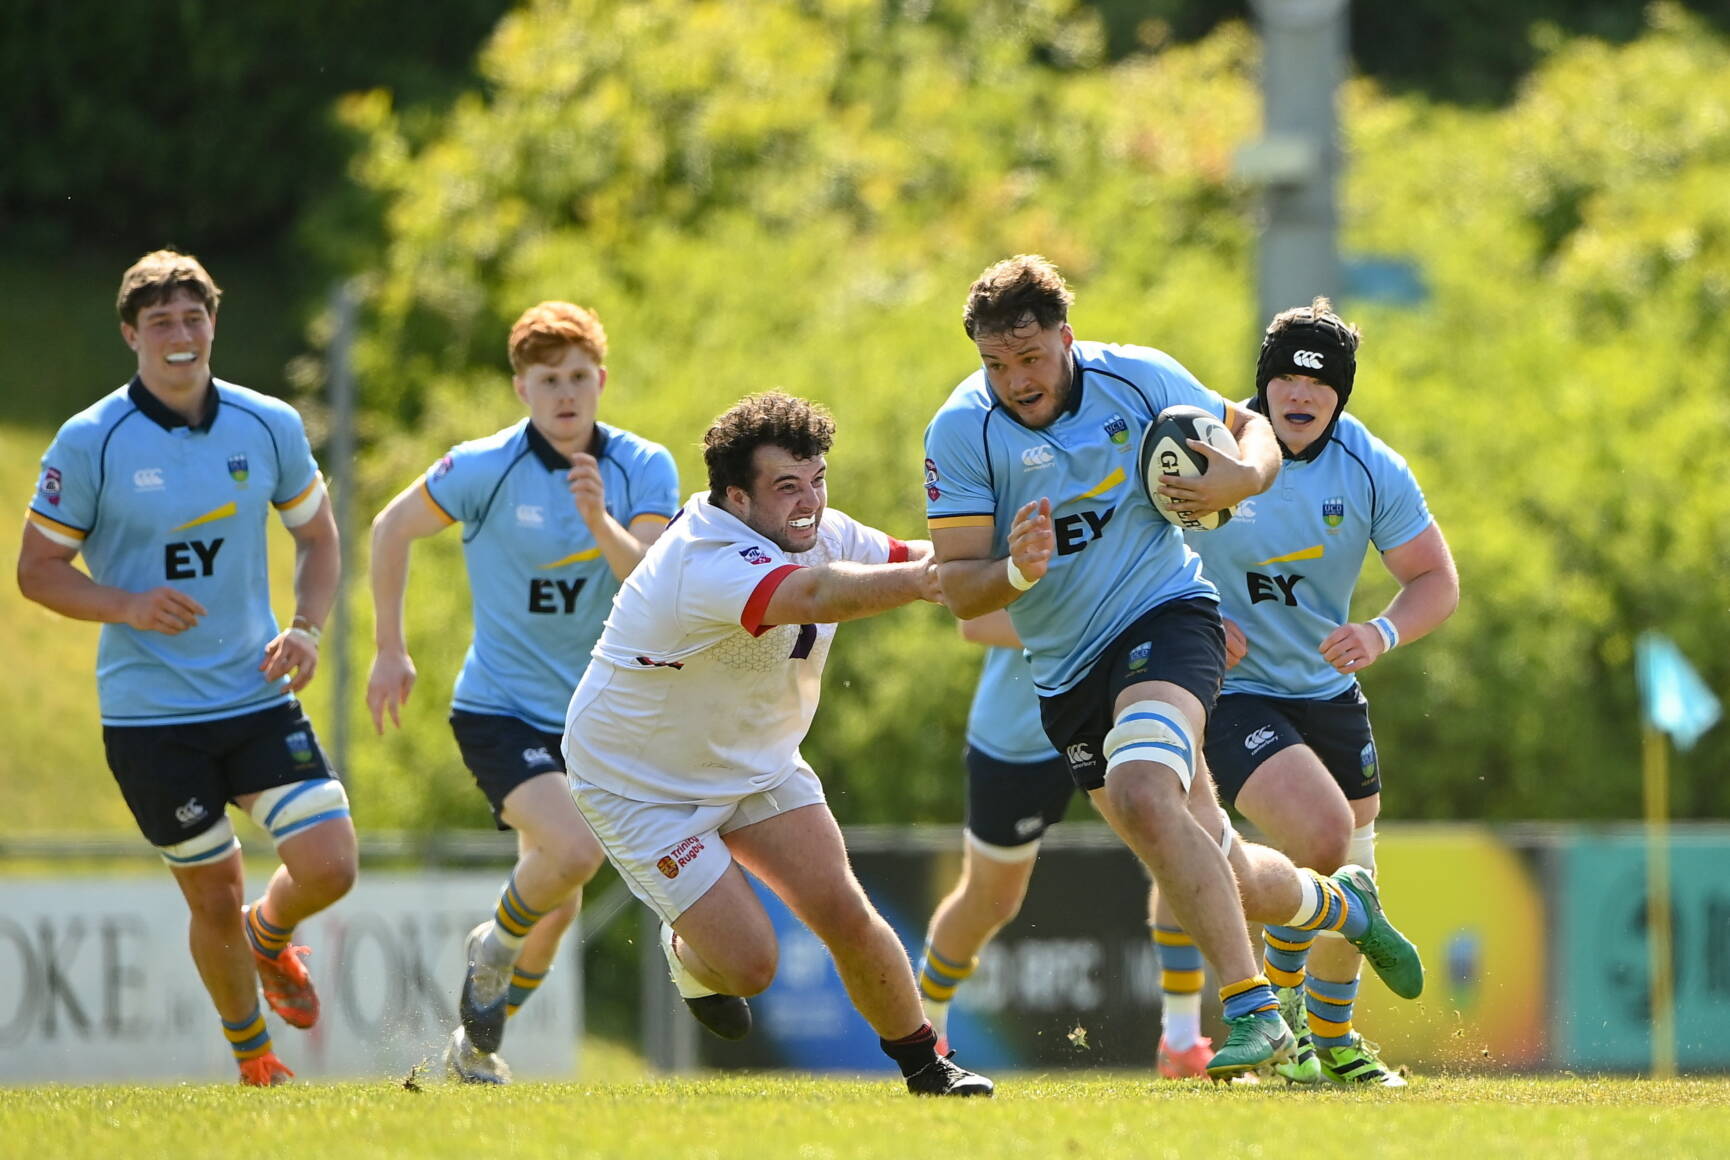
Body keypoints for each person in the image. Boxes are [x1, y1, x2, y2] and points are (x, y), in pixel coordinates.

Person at [923, 254, 1425, 1082]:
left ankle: (1254, 1014)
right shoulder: (962, 431)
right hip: (1066, 674)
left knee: (1142, 791)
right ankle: (1344, 903)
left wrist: (1244, 472)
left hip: (1168, 619)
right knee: (1220, 867)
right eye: (996, 365)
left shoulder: (1139, 378)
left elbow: (1251, 424)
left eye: (1031, 359)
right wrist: (1013, 570)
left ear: (1066, 339)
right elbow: (960, 587)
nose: (1015, 381)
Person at [561, 390, 993, 1097]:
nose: (809, 503)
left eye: (817, 480)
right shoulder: (704, 558)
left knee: (843, 908)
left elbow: (923, 557)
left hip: (754, 760)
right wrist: (926, 581)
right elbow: (822, 595)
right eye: (786, 486)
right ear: (735, 496)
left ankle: (928, 1070)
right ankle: (686, 950)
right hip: (639, 782)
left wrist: (1022, 555)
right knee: (752, 966)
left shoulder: (815, 528)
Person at [18, 249, 355, 1086]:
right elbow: (36, 569)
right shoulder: (92, 440)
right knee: (211, 894)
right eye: (161, 321)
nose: (180, 335)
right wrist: (127, 604)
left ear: (214, 325)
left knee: (331, 863)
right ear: (131, 334)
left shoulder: (267, 423)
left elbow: (317, 537)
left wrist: (306, 627)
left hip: (254, 690)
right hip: (151, 718)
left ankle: (269, 936)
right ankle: (256, 1064)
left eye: (194, 317)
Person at [366, 300, 678, 1083]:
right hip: (499, 709)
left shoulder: (646, 464)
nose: (566, 395)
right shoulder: (483, 466)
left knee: (560, 901)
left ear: (601, 380)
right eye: (548, 381)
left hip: (597, 718)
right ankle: (489, 949)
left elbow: (648, 577)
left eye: (579, 377)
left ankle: (471, 1054)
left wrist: (598, 518)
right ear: (521, 389)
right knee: (573, 853)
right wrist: (389, 648)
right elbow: (389, 528)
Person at [1151, 297, 1459, 1086]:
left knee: (1354, 865)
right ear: (1263, 381)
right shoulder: (1209, 447)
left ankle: (1331, 1040)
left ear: (1340, 396)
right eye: (1284, 373)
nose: (1299, 392)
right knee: (1322, 839)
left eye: (1318, 382)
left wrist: (1379, 633)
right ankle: (1278, 1018)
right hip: (1230, 689)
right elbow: (1139, 545)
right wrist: (1194, 615)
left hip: (1327, 689)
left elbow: (1435, 579)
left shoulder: (1370, 466)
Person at [914, 610, 1071, 1056]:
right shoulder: (1025, 535)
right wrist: (1097, 621)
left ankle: (1184, 1033)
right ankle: (924, 1030)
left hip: (1113, 721)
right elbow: (977, 620)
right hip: (1020, 738)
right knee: (991, 900)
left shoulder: (1171, 536)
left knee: (1174, 847)